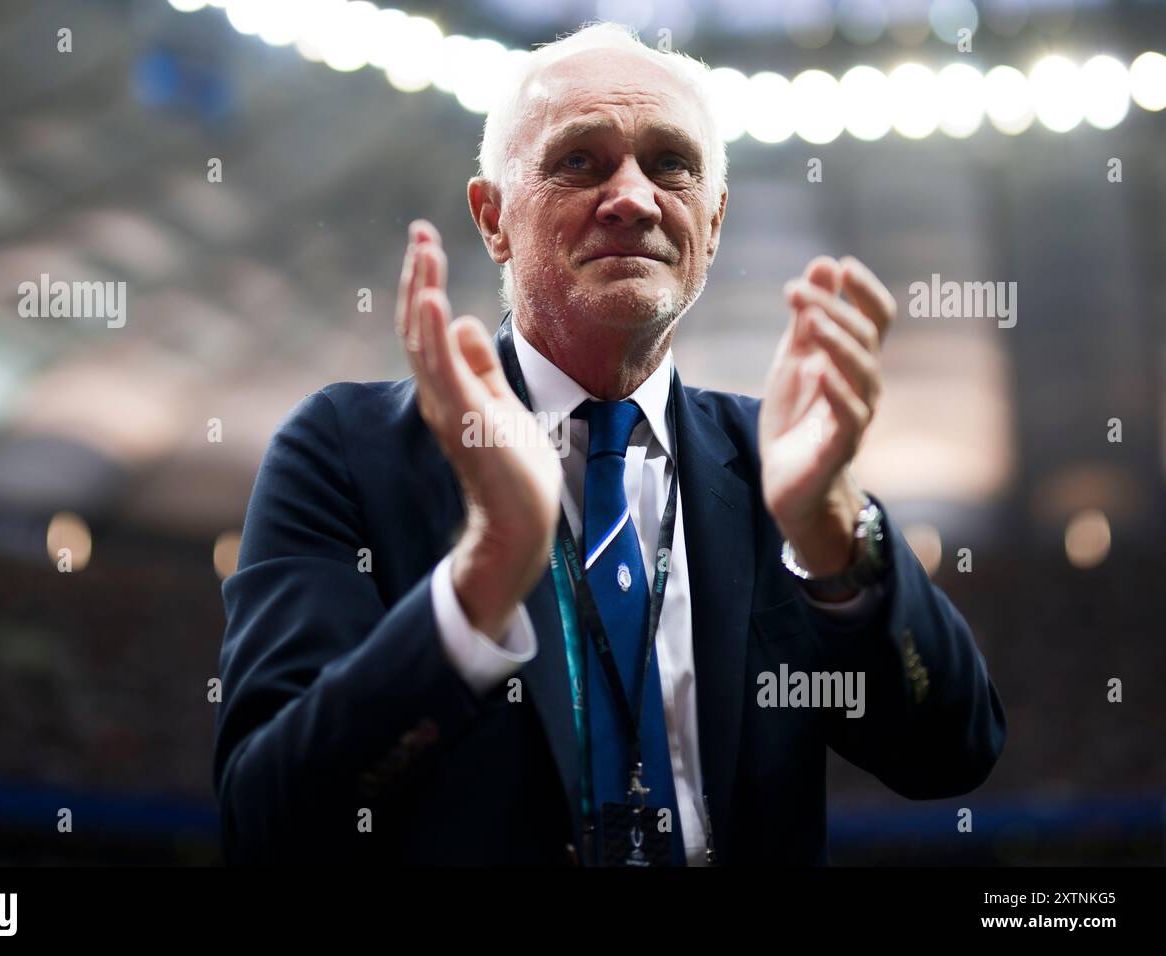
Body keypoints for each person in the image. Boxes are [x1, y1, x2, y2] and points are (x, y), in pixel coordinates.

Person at [212, 22, 1005, 866]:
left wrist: (836, 540)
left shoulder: (785, 466)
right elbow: (267, 822)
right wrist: (485, 575)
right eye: (579, 161)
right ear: (493, 218)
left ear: (714, 219)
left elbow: (950, 755)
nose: (634, 197)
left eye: (671, 164)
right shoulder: (347, 451)